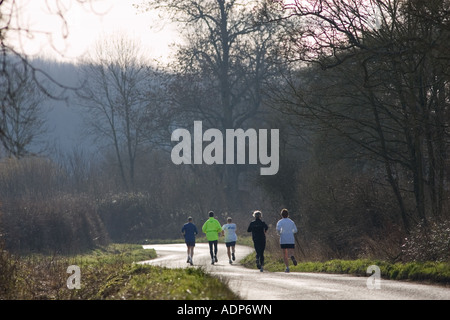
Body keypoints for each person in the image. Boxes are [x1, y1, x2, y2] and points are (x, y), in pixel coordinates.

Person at [276, 208, 298, 273]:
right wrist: (291, 232)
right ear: (288, 215)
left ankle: (287, 267)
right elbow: (295, 230)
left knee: (285, 254)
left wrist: (280, 234)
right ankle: (292, 256)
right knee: (291, 251)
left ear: (281, 215)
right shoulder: (291, 222)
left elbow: (278, 229)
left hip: (283, 239)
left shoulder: (280, 222)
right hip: (291, 239)